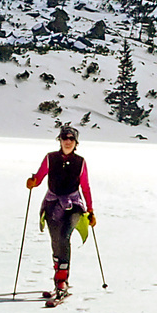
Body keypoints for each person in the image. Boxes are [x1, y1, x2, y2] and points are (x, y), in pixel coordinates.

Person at [26, 124, 96, 298]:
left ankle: (62, 280)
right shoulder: (50, 158)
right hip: (52, 203)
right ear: (60, 140)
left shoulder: (80, 162)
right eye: (65, 138)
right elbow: (40, 177)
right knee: (55, 241)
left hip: (74, 205)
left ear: (76, 142)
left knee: (64, 237)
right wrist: (33, 181)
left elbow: (85, 187)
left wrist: (90, 210)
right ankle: (59, 281)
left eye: (71, 139)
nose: (68, 141)